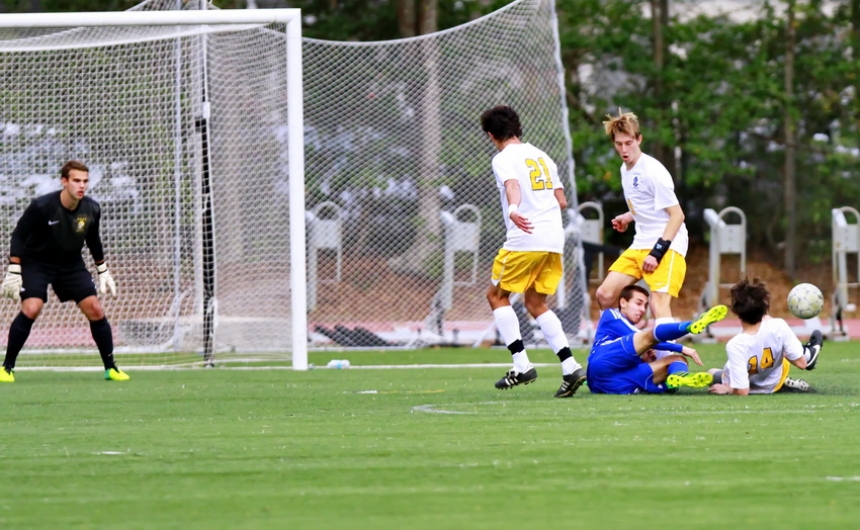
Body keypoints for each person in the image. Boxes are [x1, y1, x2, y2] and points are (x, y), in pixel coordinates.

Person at [480, 105, 586, 398]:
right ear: (517, 128)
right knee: (536, 302)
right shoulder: (542, 156)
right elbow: (561, 200)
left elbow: (513, 186)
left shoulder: (503, 158)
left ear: (491, 135)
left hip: (525, 237)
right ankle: (570, 367)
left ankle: (521, 364)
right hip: (553, 240)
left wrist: (514, 209)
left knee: (496, 296)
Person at [0, 160, 128, 383]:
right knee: (32, 307)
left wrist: (103, 270)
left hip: (70, 264)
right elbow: (18, 235)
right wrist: (13, 269)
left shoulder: (92, 208)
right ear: (64, 181)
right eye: (76, 181)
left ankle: (111, 368)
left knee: (95, 309)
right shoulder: (42, 206)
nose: (82, 186)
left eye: (85, 181)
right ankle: (6, 368)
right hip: (36, 263)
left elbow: (93, 240)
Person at [595, 110, 689, 356]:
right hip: (641, 242)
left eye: (629, 143)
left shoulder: (654, 171)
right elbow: (646, 204)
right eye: (619, 144)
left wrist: (657, 253)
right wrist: (629, 216)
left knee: (659, 303)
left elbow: (677, 216)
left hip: (668, 243)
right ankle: (627, 347)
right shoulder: (625, 170)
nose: (624, 149)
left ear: (639, 140)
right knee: (605, 294)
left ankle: (672, 365)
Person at [586, 290, 725, 395]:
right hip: (601, 365)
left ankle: (678, 376)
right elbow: (644, 337)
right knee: (649, 336)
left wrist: (645, 359)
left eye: (645, 306)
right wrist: (680, 347)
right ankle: (690, 326)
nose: (642, 309)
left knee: (677, 360)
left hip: (613, 383)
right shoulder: (611, 315)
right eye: (638, 303)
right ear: (623, 302)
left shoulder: (634, 334)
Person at [708, 277, 823, 395]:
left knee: (711, 373)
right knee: (783, 348)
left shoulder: (735, 345)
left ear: (736, 311)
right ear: (765, 308)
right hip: (771, 384)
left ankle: (790, 373)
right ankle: (806, 354)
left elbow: (742, 391)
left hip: (741, 383)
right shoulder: (779, 325)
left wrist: (727, 389)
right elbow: (802, 364)